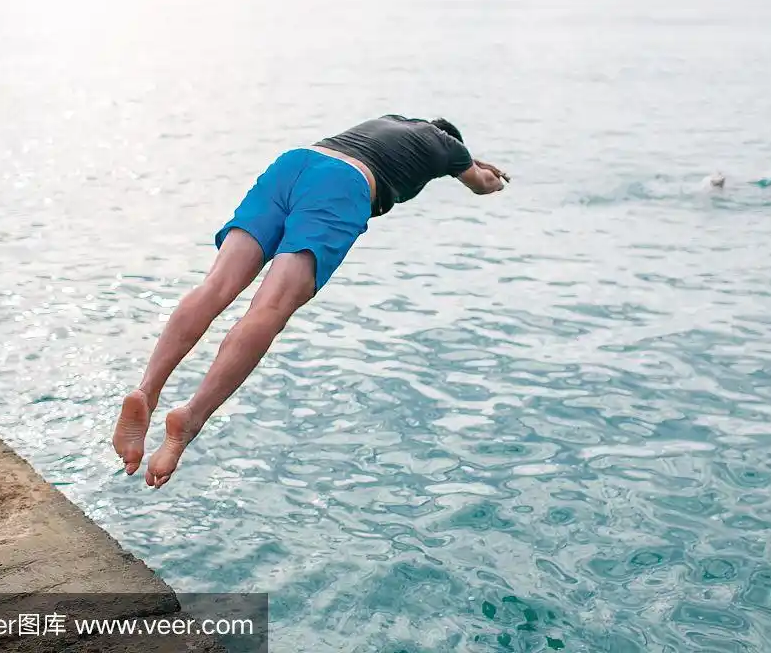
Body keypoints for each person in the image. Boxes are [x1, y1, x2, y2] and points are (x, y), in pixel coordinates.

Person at [111, 115, 510, 487]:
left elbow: (431, 150)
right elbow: (479, 181)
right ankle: (191, 417)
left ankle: (147, 390)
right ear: (453, 143)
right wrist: (493, 178)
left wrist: (463, 159)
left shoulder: (394, 122)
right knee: (269, 309)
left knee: (215, 287)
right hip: (342, 185)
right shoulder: (448, 148)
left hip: (293, 165)